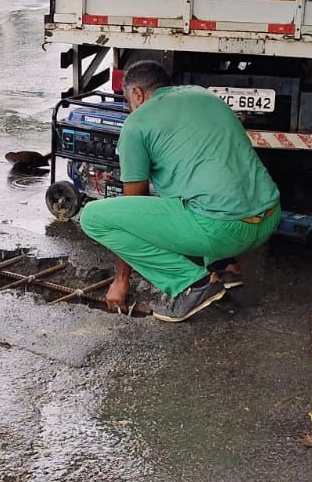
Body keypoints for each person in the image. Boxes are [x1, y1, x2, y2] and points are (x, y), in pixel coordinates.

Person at [79, 62, 280, 323]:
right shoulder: (204, 94)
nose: (129, 107)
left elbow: (135, 205)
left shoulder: (137, 123)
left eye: (128, 100)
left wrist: (121, 279)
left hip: (223, 230)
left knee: (92, 217)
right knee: (200, 187)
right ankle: (223, 267)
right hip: (270, 217)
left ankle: (191, 285)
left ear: (137, 94)